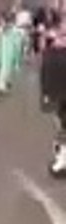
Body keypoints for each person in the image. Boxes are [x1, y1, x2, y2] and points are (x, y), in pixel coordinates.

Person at [41, 12, 66, 176]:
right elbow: (46, 75)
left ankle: (63, 159)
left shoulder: (53, 53)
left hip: (59, 93)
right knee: (61, 123)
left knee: (62, 126)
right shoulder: (51, 52)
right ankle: (62, 156)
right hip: (58, 94)